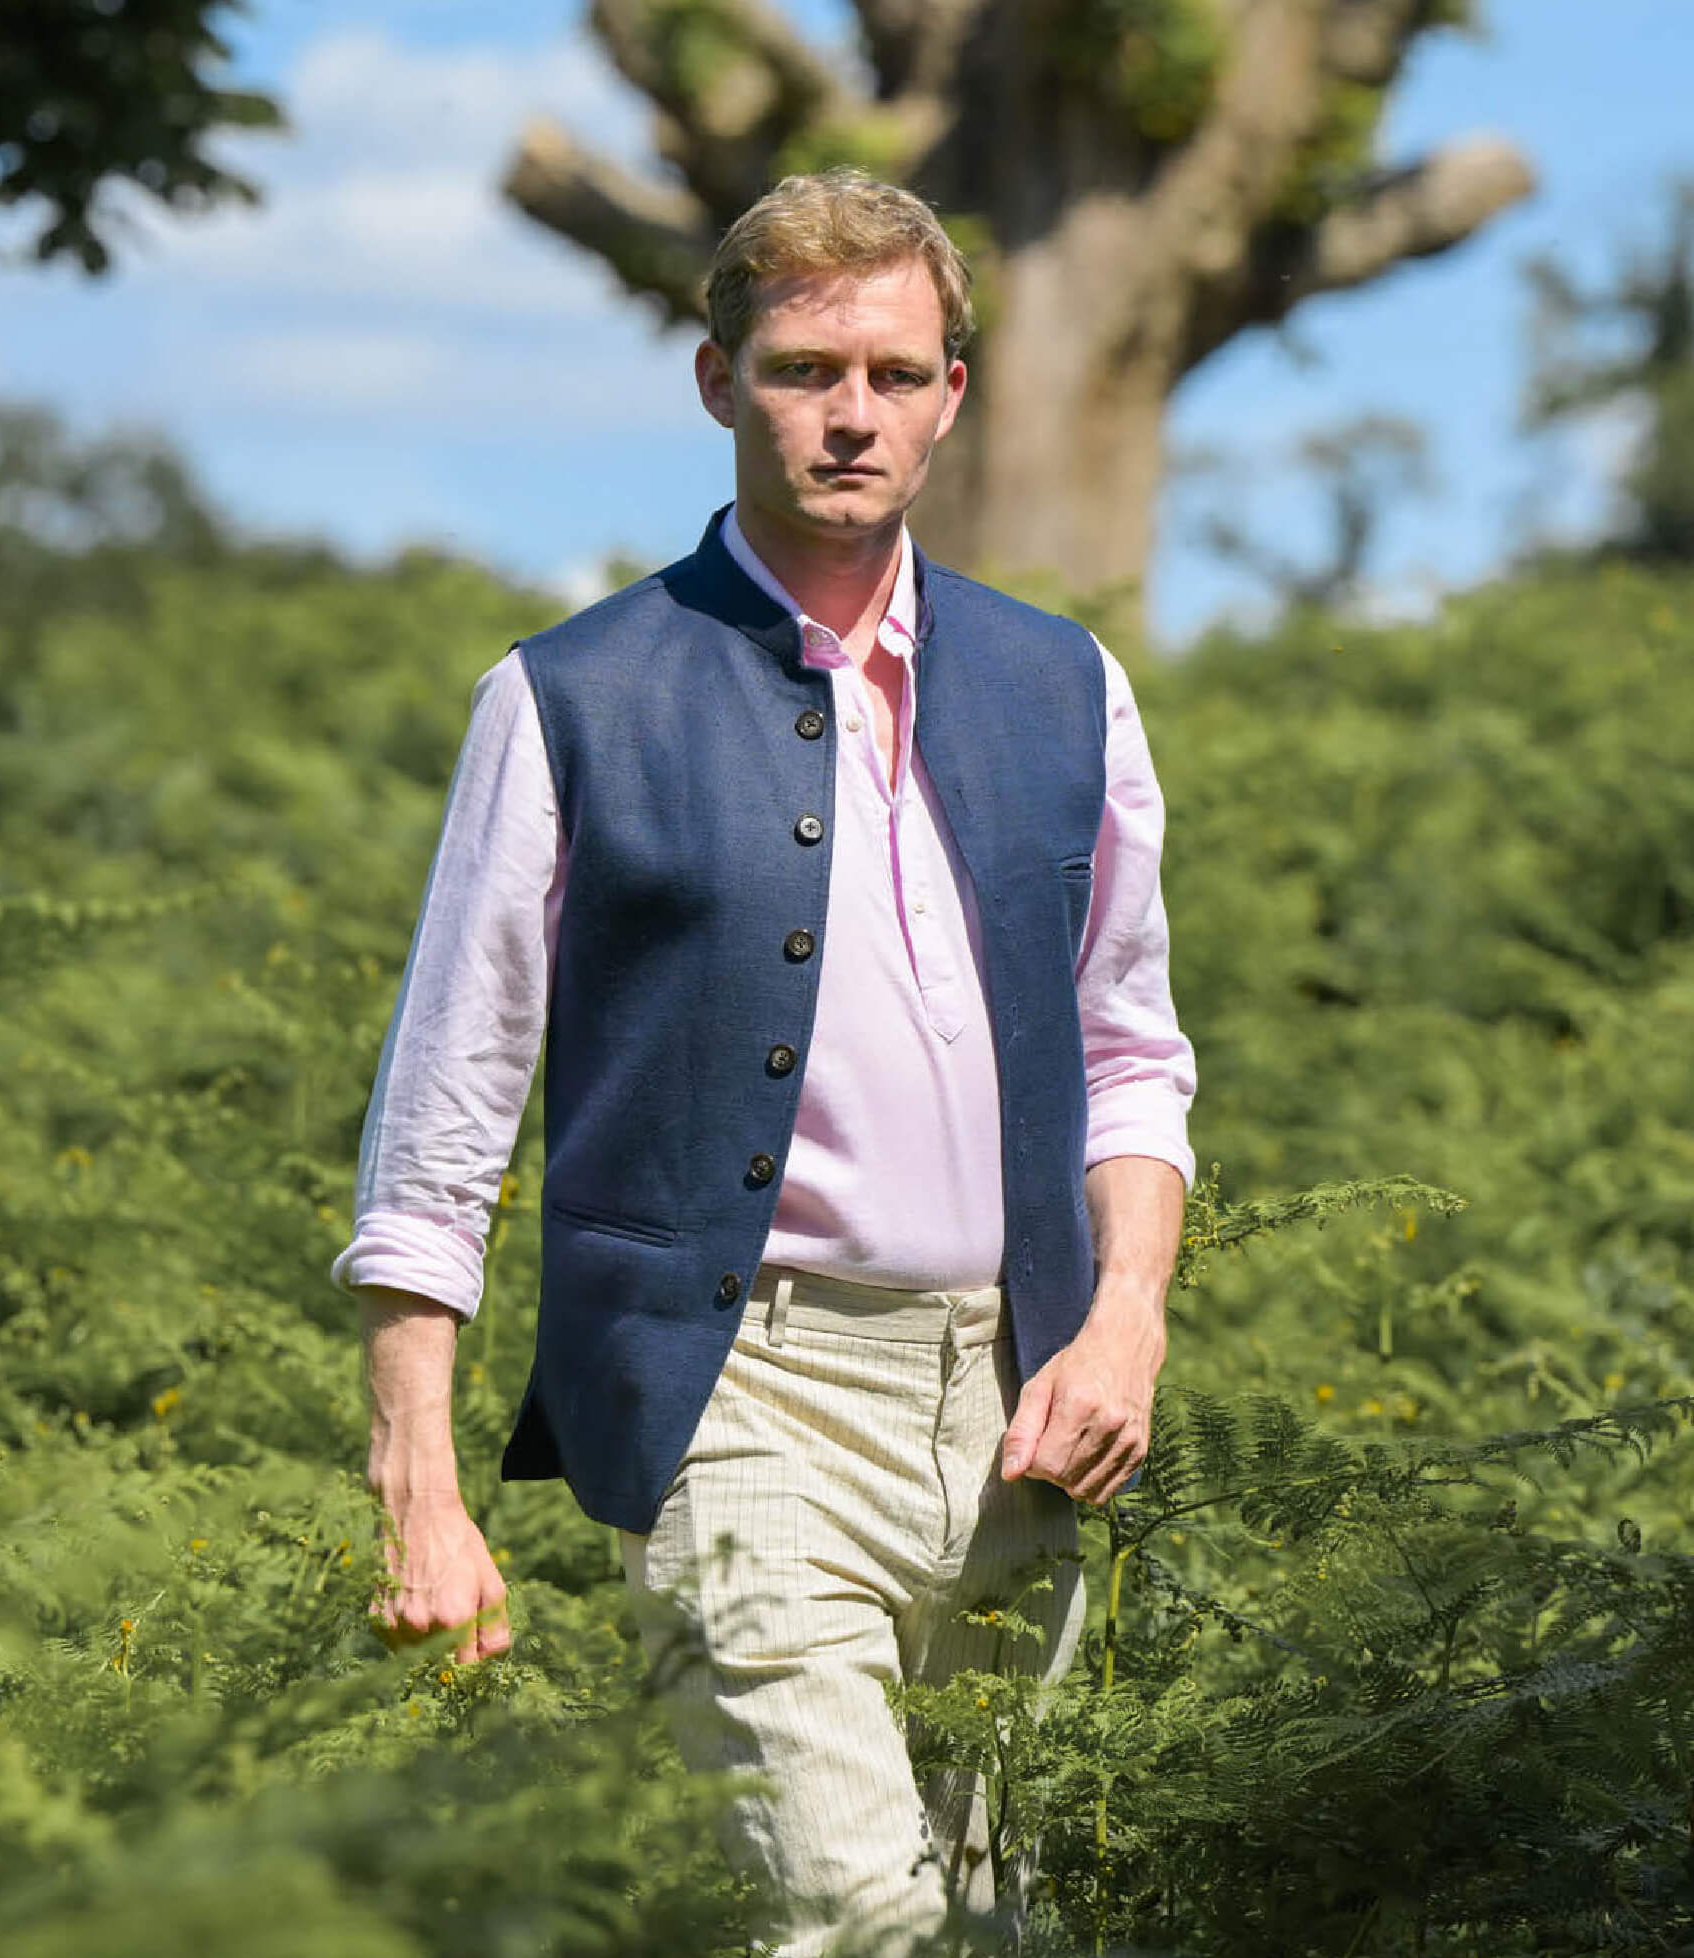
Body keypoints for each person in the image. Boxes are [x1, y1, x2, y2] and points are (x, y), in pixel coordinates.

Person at [333, 168, 1195, 1957]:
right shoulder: (569, 699)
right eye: (808, 368)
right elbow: (444, 1113)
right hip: (742, 1394)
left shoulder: (1069, 686)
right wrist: (416, 1475)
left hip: (1025, 1408)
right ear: (718, 378)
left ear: (957, 388)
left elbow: (1131, 1048)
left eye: (894, 371)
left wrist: (1128, 1315)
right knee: (856, 1918)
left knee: (998, 1923)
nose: (852, 413)